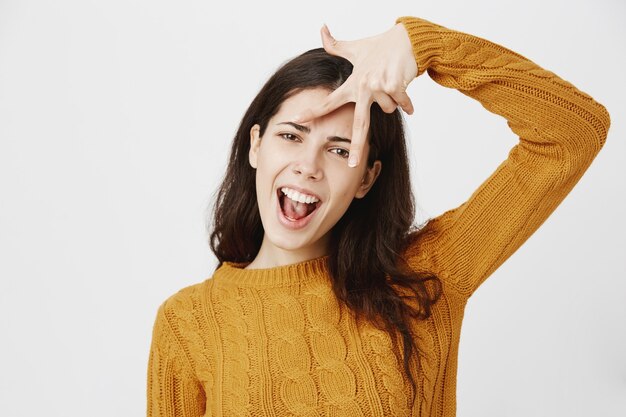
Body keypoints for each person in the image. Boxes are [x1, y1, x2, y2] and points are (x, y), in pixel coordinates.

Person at [146, 15, 610, 417]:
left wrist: (422, 45)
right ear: (255, 146)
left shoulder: (427, 276)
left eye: (340, 148)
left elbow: (573, 131)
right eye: (291, 136)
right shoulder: (187, 325)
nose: (308, 165)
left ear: (367, 179)